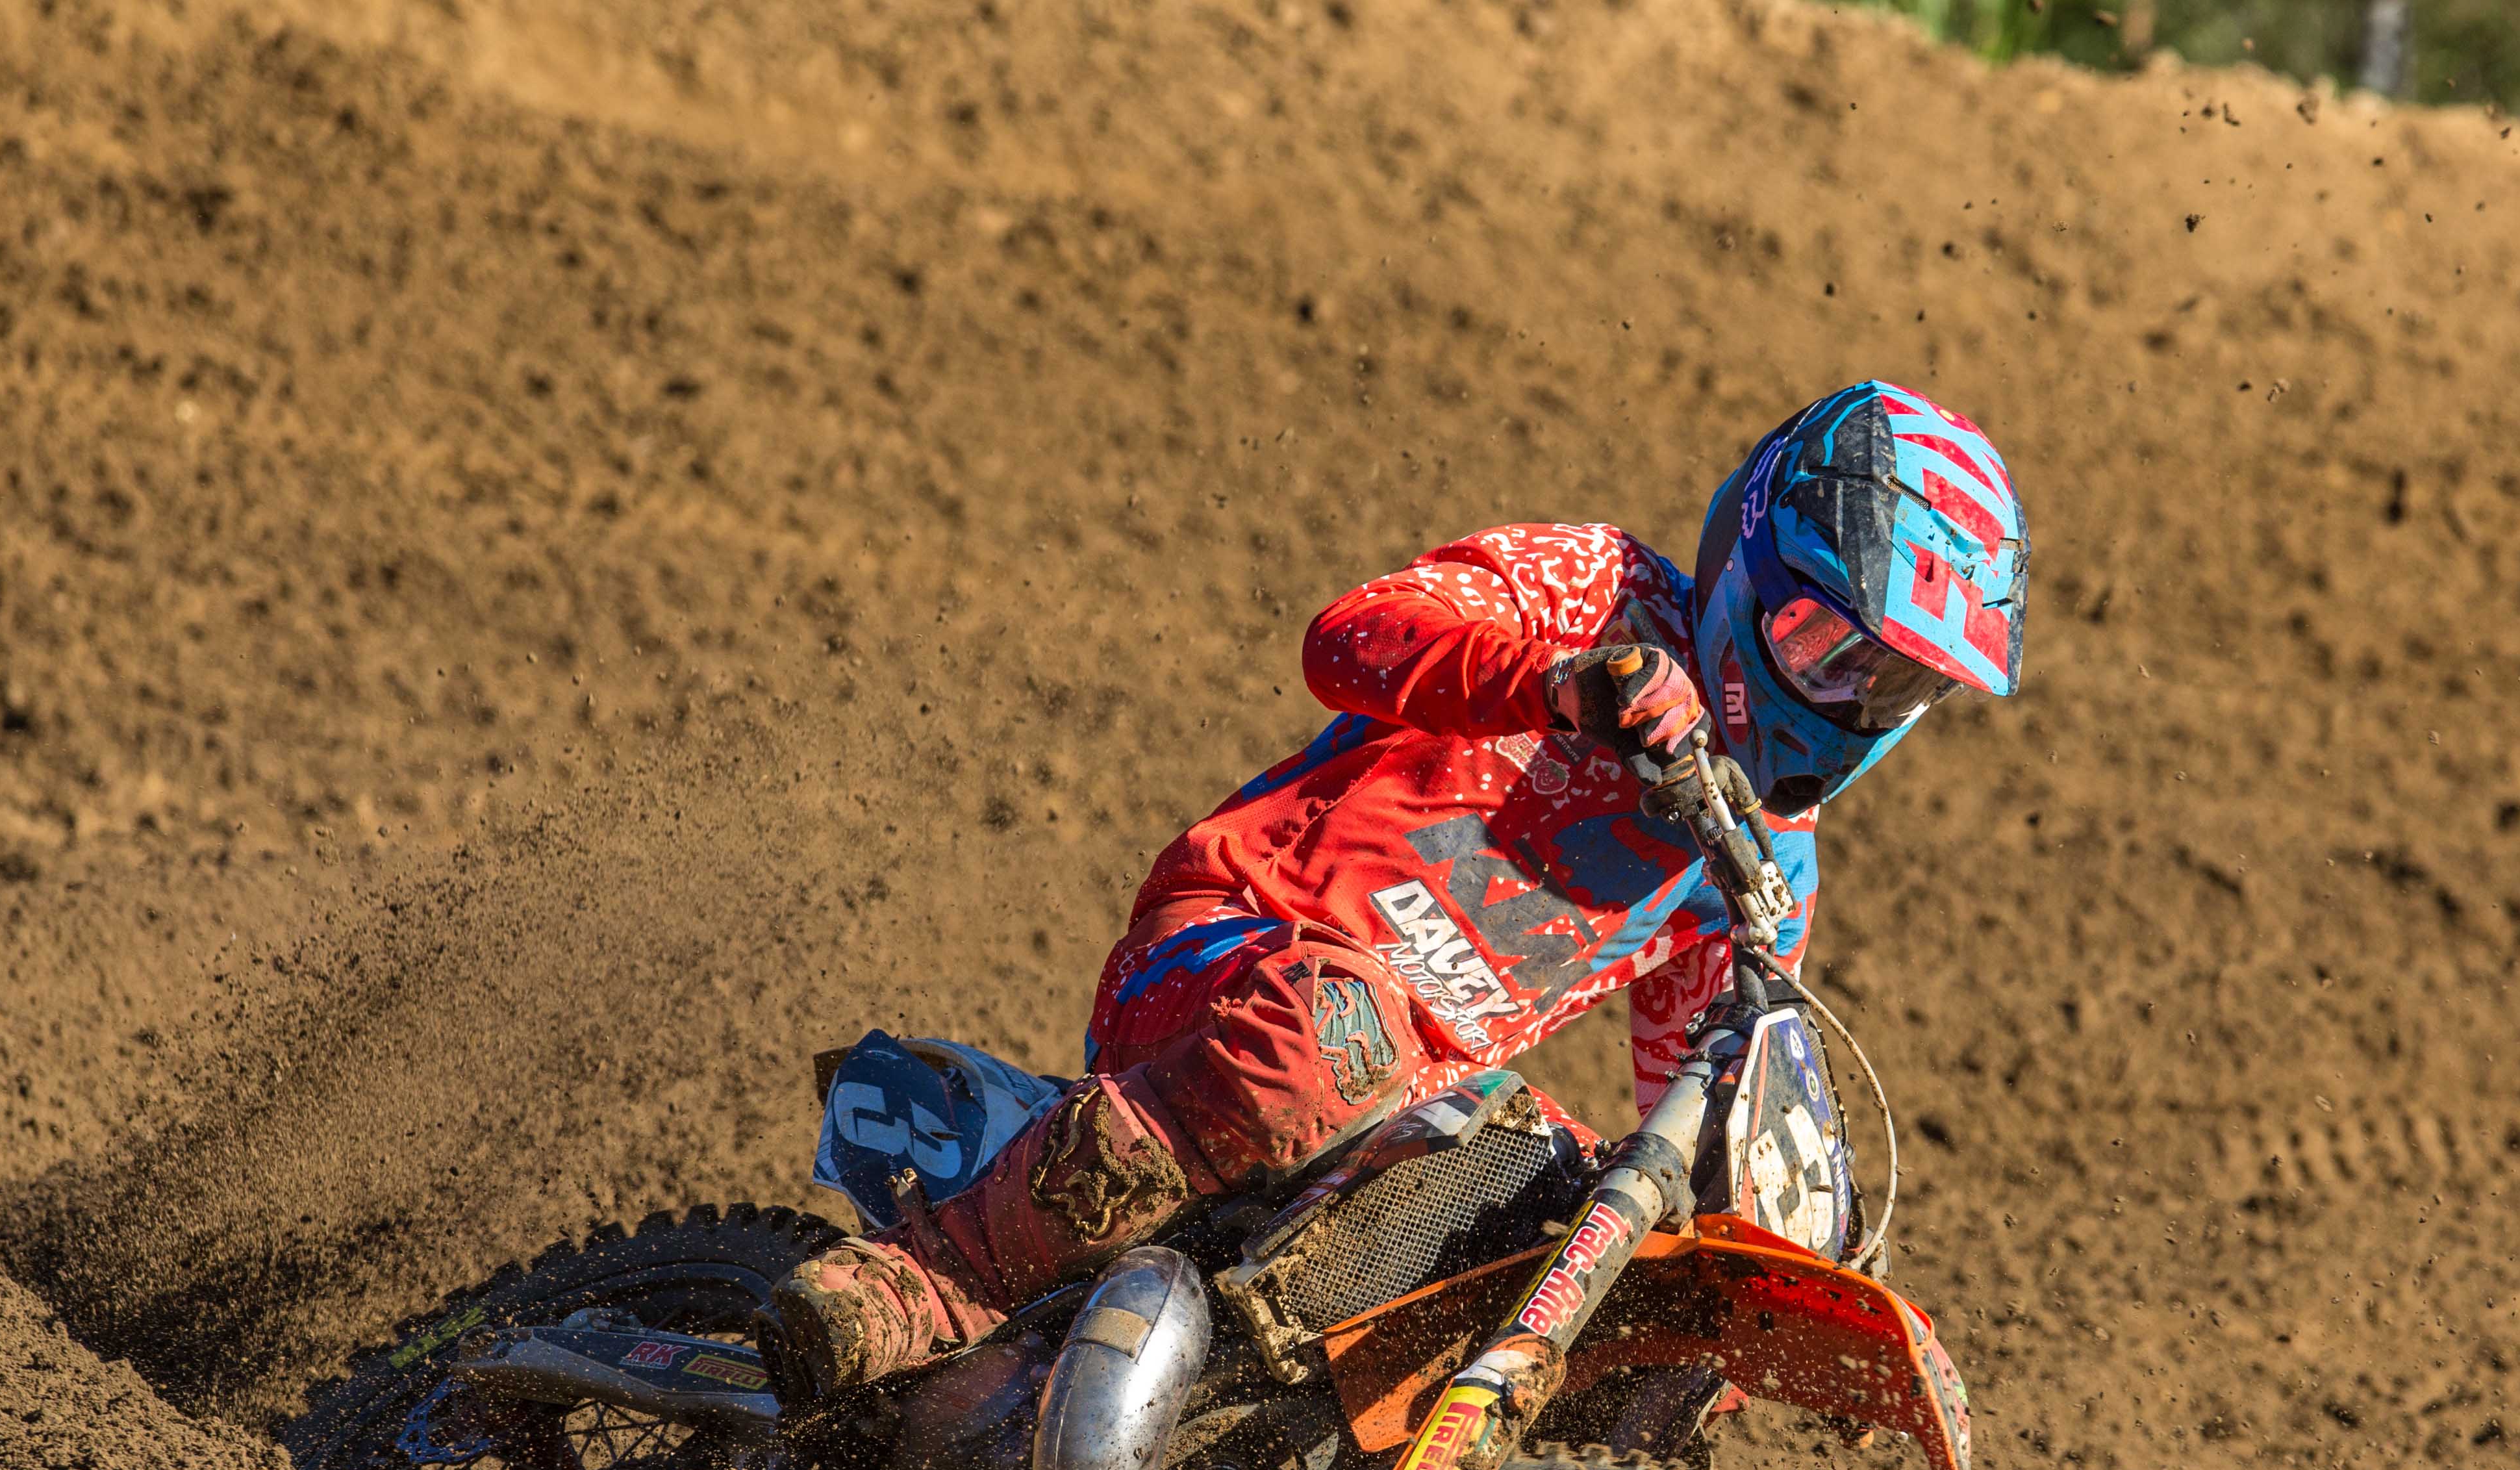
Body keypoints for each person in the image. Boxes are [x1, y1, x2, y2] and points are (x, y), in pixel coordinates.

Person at [764, 379, 2030, 1412]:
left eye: (1892, 691)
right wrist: (1563, 683)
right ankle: (928, 1285)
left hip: (1405, 1105)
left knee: (1598, 1235)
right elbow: (1352, 637)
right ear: (1753, 559)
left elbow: (1685, 1100)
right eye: (1825, 650)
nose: (1847, 707)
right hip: (1237, 957)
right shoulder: (1594, 589)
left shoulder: (1766, 866)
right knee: (1346, 1029)